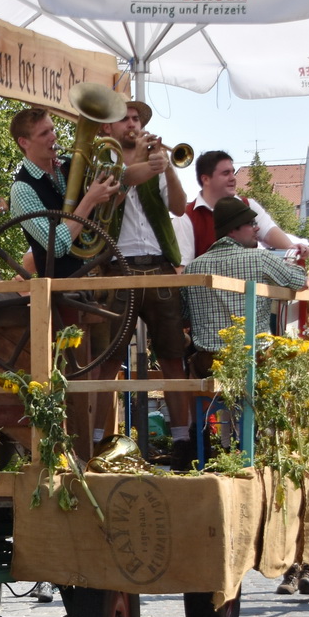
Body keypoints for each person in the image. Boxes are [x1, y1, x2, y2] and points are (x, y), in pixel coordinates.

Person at [94, 100, 196, 466]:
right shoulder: (103, 160)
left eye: (136, 119)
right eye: (125, 119)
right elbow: (113, 191)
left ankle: (183, 443)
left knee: (172, 356)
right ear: (108, 127)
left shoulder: (155, 163)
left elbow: (181, 207)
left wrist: (166, 169)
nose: (133, 124)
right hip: (116, 267)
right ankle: (96, 444)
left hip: (158, 266)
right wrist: (141, 164)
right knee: (107, 359)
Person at [183, 196, 309, 377]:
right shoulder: (261, 258)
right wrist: (294, 257)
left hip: (209, 364)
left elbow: (183, 314)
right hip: (254, 362)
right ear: (233, 230)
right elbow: (302, 282)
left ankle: (198, 405)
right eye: (251, 223)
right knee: (284, 361)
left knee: (192, 363)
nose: (257, 228)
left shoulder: (193, 268)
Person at [7, 106, 121, 279]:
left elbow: (121, 175)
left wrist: (141, 159)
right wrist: (90, 200)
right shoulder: (22, 189)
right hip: (64, 288)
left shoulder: (69, 164)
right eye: (44, 133)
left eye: (52, 129)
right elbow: (56, 246)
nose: (54, 136)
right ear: (24, 142)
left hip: (101, 276)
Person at [184, 150, 307, 258]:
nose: (233, 178)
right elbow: (181, 274)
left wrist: (295, 249)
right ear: (205, 179)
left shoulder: (248, 205)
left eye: (233, 172)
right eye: (226, 173)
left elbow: (272, 234)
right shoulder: (186, 217)